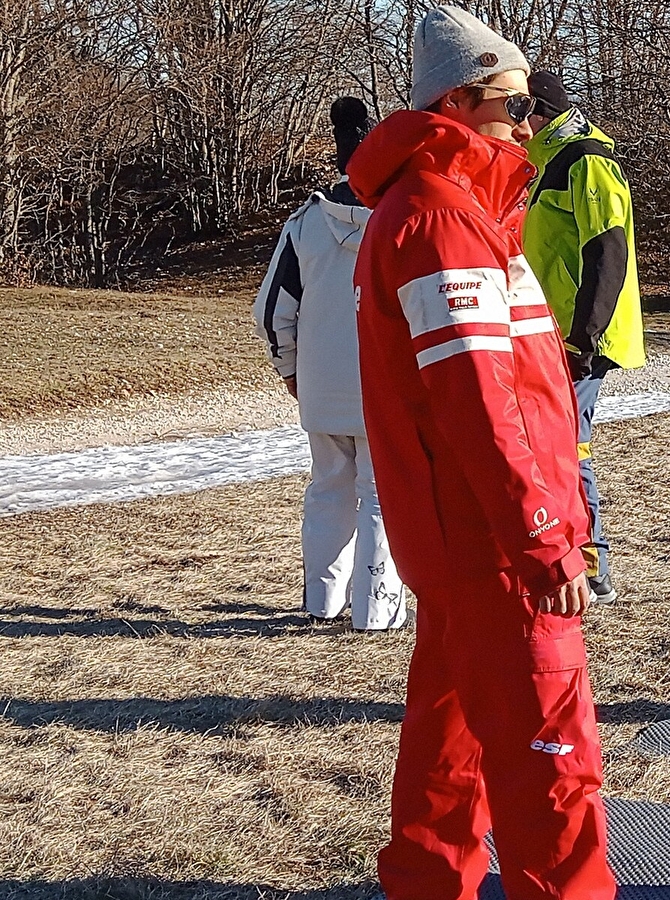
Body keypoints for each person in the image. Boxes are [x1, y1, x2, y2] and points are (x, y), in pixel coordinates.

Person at [346, 7, 614, 900]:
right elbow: (479, 409)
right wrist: (542, 534)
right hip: (498, 545)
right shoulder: (442, 219)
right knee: (554, 772)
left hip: (469, 538)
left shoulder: (458, 211)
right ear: (459, 101)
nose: (530, 123)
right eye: (514, 102)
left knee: (447, 756)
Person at [253, 96, 407, 632]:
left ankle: (321, 602)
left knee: (327, 490)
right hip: (388, 387)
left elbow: (273, 310)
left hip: (320, 387)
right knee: (381, 496)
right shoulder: (403, 222)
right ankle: (376, 609)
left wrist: (289, 368)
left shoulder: (304, 225)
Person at [521, 70, 646, 605]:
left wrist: (584, 338)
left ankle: (592, 565)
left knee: (568, 446)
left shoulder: (586, 160)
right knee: (557, 442)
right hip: (555, 331)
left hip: (580, 336)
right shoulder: (549, 160)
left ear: (538, 113)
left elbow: (608, 250)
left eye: (517, 114)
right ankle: (581, 558)